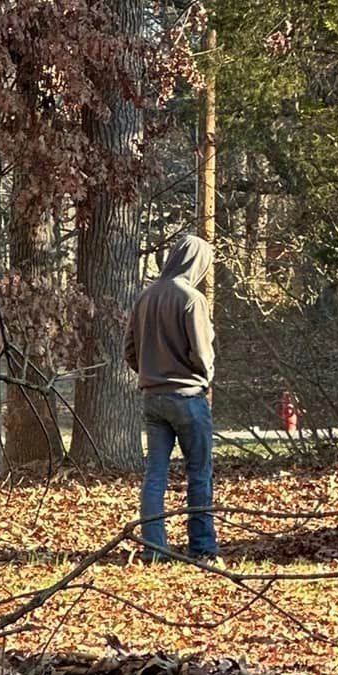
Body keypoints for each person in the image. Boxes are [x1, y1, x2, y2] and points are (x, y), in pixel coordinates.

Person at [125, 234, 219, 564]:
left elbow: (130, 351)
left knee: (155, 476)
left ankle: (154, 549)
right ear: (198, 263)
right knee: (199, 473)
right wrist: (205, 376)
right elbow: (201, 352)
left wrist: (152, 370)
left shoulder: (144, 297)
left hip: (153, 399)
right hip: (188, 397)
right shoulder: (191, 299)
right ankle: (203, 549)